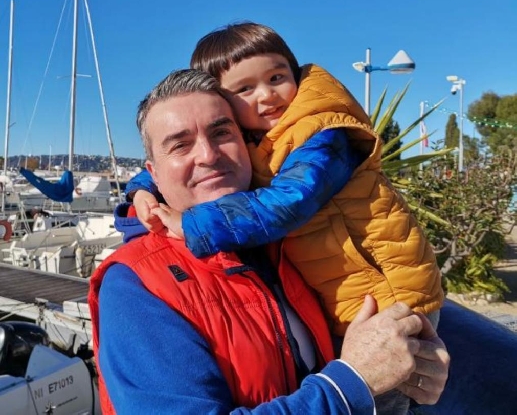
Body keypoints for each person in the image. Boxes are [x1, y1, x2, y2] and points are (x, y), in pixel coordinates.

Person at [124, 23, 445, 413]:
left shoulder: (321, 133)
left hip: (387, 293)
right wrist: (141, 189)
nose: (267, 95)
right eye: (245, 89)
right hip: (360, 299)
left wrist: (193, 223)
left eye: (276, 78)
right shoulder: (135, 285)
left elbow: (288, 202)